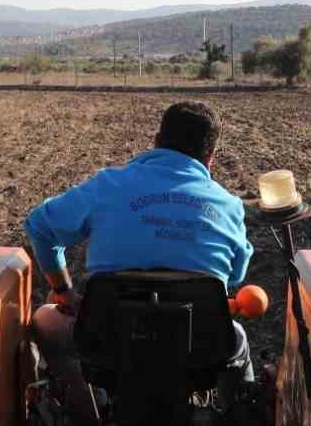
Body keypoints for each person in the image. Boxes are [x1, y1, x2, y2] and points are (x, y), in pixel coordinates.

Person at [23, 100, 254, 381]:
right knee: (237, 338)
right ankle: (235, 421)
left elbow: (39, 226)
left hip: (106, 342)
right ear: (211, 156)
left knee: (44, 320)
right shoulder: (229, 205)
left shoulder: (107, 186)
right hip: (198, 349)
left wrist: (63, 290)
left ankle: (82, 413)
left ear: (157, 141)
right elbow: (234, 275)